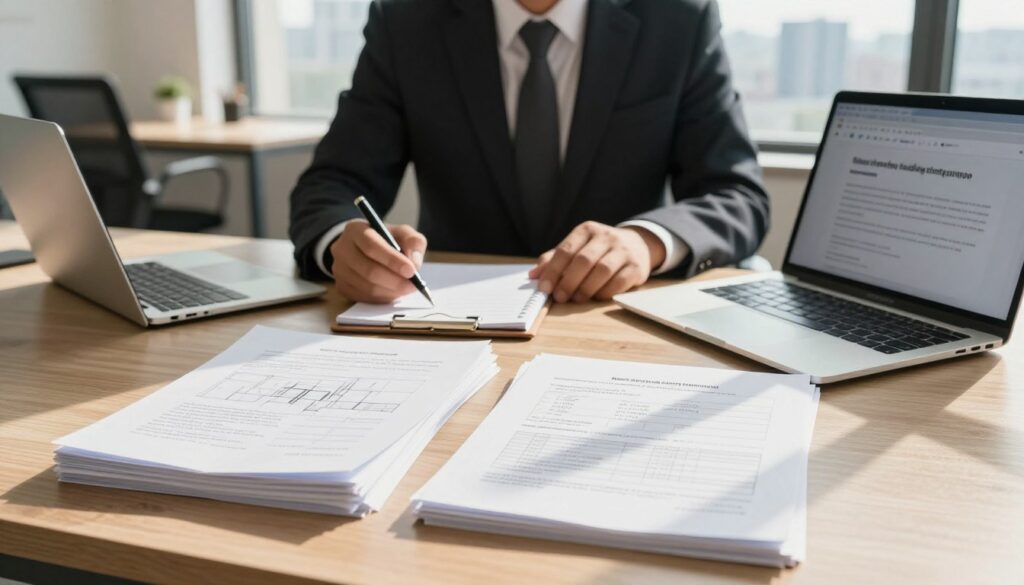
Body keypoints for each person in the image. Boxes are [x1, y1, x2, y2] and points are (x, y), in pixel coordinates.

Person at [290, 0, 769, 304]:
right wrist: (340, 246)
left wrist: (645, 243)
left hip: (613, 323)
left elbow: (736, 195)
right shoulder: (407, 21)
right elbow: (332, 184)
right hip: (448, 322)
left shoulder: (678, 18)